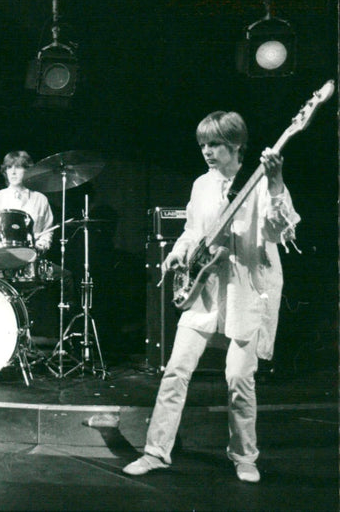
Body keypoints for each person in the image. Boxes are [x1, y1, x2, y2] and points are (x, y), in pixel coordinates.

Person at [122, 111, 300, 483]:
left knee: (239, 378)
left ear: (236, 145)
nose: (207, 151)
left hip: (245, 291)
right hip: (205, 290)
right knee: (175, 371)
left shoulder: (258, 182)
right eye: (203, 144)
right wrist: (177, 251)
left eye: (215, 144)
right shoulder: (202, 184)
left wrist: (276, 180)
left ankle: (244, 455)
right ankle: (155, 451)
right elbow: (192, 230)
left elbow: (278, 228)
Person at [0, 150, 54, 254]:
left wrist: (41, 245)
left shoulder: (40, 199)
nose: (13, 172)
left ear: (27, 170)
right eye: (9, 167)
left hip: (32, 259)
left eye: (18, 167)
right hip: (2, 259)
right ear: (5, 171)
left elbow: (47, 230)